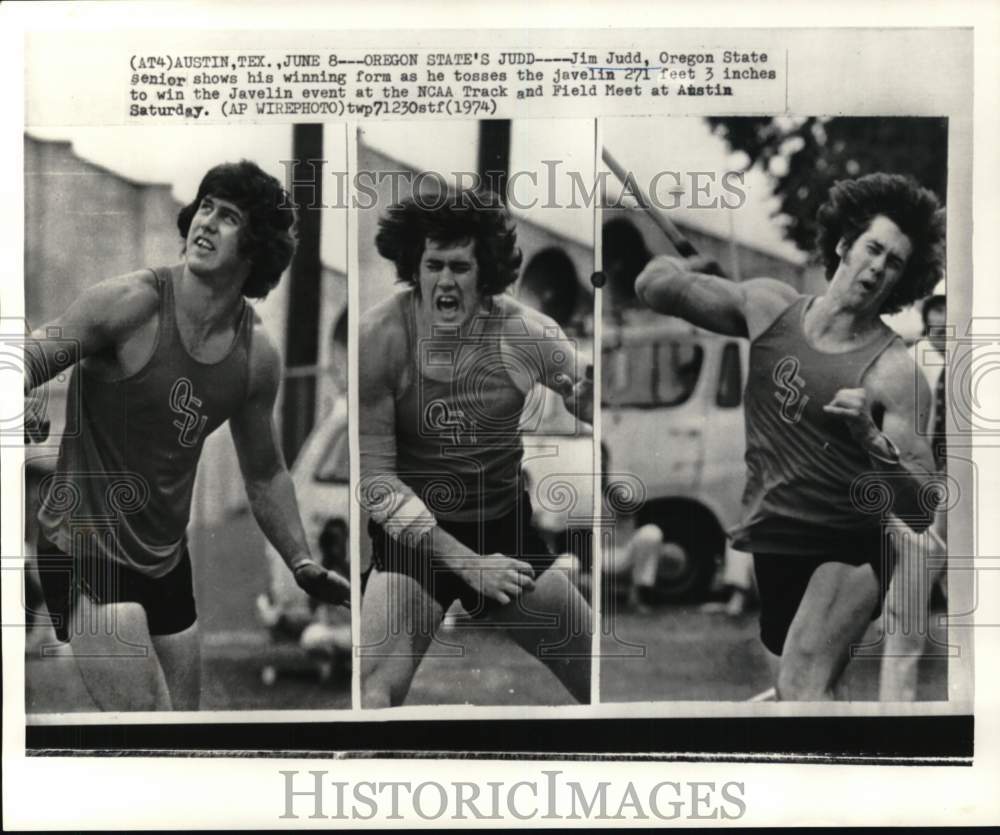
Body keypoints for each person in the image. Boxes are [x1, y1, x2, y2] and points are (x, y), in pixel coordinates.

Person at [23, 160, 350, 711]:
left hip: (164, 560)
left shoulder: (256, 357)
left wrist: (300, 561)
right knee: (148, 732)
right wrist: (25, 386)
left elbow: (266, 471)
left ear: (256, 248)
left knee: (185, 735)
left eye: (228, 216)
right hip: (84, 545)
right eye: (205, 206)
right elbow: (24, 358)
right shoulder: (127, 304)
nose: (207, 222)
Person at [635, 173, 945, 700]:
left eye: (894, 263)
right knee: (805, 693)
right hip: (775, 540)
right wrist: (691, 269)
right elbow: (651, 285)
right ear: (844, 244)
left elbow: (921, 504)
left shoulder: (895, 372)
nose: (877, 268)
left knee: (801, 686)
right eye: (873, 249)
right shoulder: (767, 308)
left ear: (903, 278)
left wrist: (871, 439)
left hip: (850, 543)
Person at [359, 189, 593, 707]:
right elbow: (376, 483)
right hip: (413, 542)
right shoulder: (378, 338)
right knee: (370, 699)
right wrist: (466, 563)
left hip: (503, 530)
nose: (445, 280)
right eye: (433, 265)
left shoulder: (528, 333)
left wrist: (591, 403)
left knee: (603, 683)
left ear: (484, 273)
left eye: (460, 267)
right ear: (412, 268)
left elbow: (591, 397)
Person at [879, 293, 949, 701]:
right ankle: (894, 708)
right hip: (922, 485)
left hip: (969, 487)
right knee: (908, 603)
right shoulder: (912, 361)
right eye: (936, 322)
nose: (943, 330)